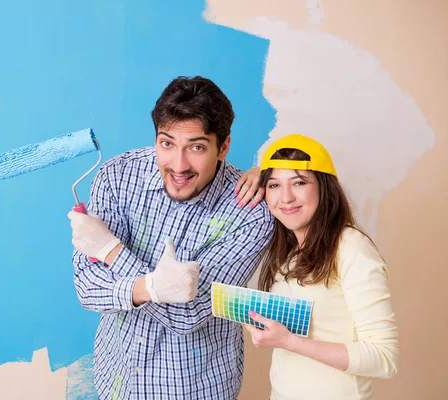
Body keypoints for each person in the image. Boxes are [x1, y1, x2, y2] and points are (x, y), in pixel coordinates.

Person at [67, 76, 275, 399]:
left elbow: (188, 315)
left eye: (196, 147)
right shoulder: (117, 178)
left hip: (196, 388)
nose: (178, 165)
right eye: (167, 144)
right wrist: (151, 287)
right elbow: (88, 289)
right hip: (118, 380)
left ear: (224, 147)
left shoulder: (249, 213)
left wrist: (111, 251)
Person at [237, 134, 399, 400]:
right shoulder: (288, 253)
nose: (285, 197)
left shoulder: (350, 247)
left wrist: (289, 342)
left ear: (324, 187)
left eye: (299, 182)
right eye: (275, 185)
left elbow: (384, 358)